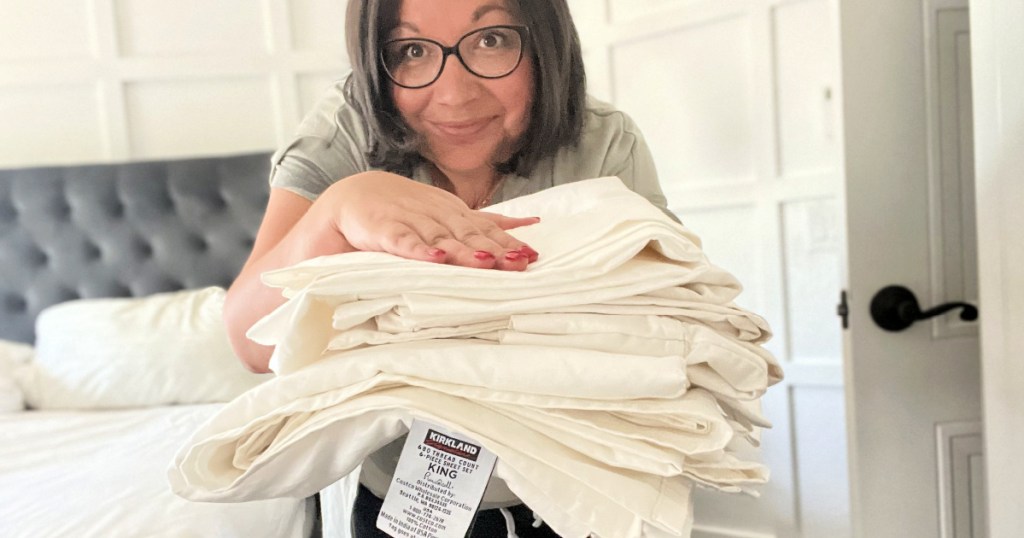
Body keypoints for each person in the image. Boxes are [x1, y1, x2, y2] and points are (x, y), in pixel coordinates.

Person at [224, 0, 673, 535]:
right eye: (410, 51)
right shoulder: (348, 131)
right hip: (403, 499)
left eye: (492, 40)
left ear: (545, 43)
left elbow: (664, 332)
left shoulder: (603, 143)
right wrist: (336, 212)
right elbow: (251, 344)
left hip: (587, 492)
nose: (455, 94)